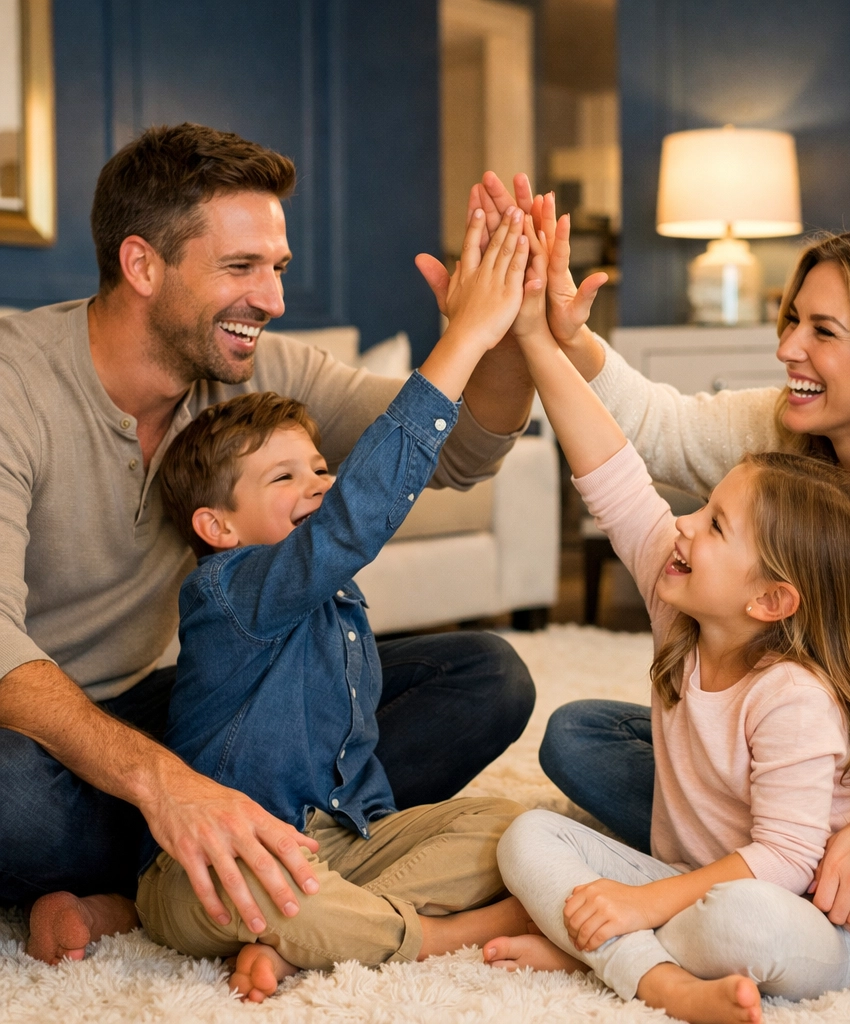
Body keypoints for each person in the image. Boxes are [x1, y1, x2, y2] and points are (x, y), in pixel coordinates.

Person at [0, 125, 536, 965]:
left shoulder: (254, 367)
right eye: (241, 268)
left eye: (277, 268)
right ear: (143, 265)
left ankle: (194, 883)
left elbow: (460, 448)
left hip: (175, 709)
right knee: (9, 799)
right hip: (33, 728)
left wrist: (505, 334)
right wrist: (166, 788)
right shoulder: (13, 382)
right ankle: (200, 873)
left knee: (484, 677)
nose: (274, 299)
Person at [467, 175, 850, 967]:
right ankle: (843, 905)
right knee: (580, 737)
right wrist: (556, 335)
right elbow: (648, 437)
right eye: (792, 319)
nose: (788, 346)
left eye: (822, 330)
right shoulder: (790, 433)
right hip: (843, 757)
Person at [477, 240, 850, 1023]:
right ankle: (643, 964)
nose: (680, 526)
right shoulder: (681, 594)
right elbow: (610, 472)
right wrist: (538, 339)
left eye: (714, 526)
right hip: (686, 881)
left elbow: (782, 863)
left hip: (811, 921)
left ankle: (601, 950)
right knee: (529, 835)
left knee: (741, 921)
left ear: (774, 600)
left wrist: (646, 904)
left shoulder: (794, 698)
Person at [137, 202, 535, 1003]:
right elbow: (357, 517)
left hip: (343, 844)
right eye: (285, 478)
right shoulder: (229, 590)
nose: (320, 485)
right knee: (231, 888)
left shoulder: (334, 601)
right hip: (224, 854)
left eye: (321, 469)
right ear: (217, 525)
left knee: (519, 833)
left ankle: (308, 938)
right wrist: (459, 343)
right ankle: (431, 936)